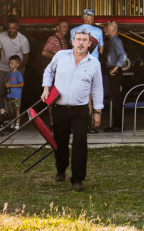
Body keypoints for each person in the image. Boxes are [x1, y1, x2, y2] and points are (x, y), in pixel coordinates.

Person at [42, 30, 104, 192]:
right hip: (60, 108)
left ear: (89, 43)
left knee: (80, 143)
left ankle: (77, 179)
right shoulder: (61, 56)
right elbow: (48, 71)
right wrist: (46, 88)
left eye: (85, 40)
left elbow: (97, 88)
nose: (81, 43)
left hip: (80, 110)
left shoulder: (93, 63)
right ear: (73, 42)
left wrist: (97, 111)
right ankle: (61, 169)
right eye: (78, 40)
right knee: (60, 141)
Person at [0, 17, 30, 100]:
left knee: (15, 95)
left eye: (13, 28)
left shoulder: (23, 40)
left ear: (17, 28)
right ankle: (3, 112)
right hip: (3, 68)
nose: (11, 30)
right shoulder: (1, 36)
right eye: (9, 28)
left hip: (17, 69)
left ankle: (14, 113)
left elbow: (26, 56)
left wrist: (19, 68)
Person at [103, 21, 128, 131]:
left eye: (107, 28)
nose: (105, 30)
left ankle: (118, 125)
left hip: (115, 72)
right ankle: (115, 124)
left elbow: (123, 55)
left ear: (113, 29)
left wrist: (115, 68)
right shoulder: (111, 41)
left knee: (116, 99)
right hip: (113, 71)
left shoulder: (116, 41)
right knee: (114, 98)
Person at [4, 56, 24, 127]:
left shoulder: (18, 74)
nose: (10, 65)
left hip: (16, 95)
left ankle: (17, 123)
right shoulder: (9, 73)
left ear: (17, 64)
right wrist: (6, 84)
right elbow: (7, 82)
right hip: (9, 95)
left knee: (17, 110)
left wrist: (11, 85)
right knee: (10, 110)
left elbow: (21, 84)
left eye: (12, 63)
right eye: (9, 63)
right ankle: (12, 122)